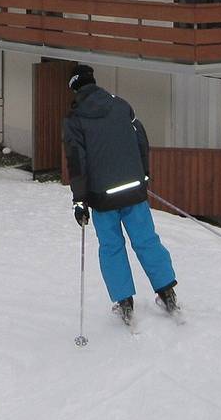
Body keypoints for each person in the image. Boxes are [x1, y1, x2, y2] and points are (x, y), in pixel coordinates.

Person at [62, 63, 179, 325]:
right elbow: (141, 140)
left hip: (102, 196)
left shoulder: (75, 119)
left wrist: (79, 200)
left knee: (112, 247)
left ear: (74, 87)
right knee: (146, 240)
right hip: (133, 191)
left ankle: (125, 302)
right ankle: (167, 293)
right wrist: (143, 174)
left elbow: (77, 162)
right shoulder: (121, 106)